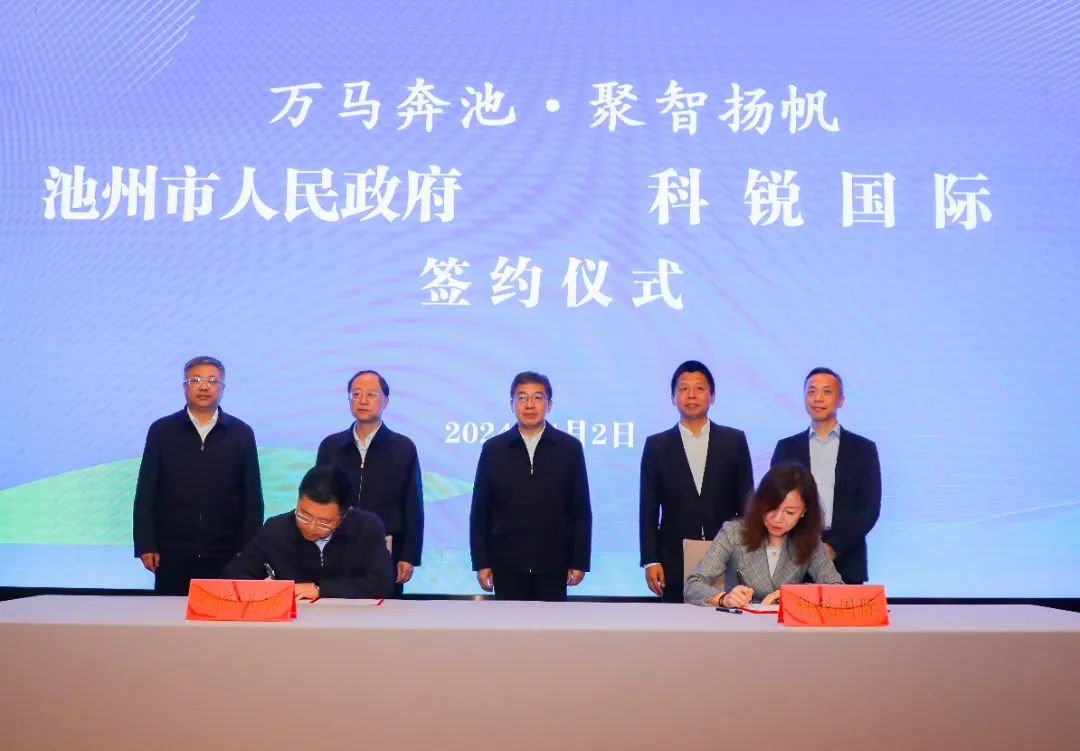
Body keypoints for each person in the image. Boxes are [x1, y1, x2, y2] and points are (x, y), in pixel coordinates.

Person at [132, 356, 264, 595]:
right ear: (185, 386)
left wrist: (249, 549)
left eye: (212, 380)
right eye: (196, 380)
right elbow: (147, 490)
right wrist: (145, 543)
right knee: (171, 614)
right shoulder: (162, 431)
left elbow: (252, 496)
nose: (204, 387)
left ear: (222, 388)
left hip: (226, 553)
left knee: (222, 614)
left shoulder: (241, 433)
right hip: (172, 552)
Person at [469, 371, 592, 601]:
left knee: (552, 624)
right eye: (522, 397)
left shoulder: (569, 448)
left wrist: (579, 560)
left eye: (537, 398)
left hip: (554, 563)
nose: (529, 405)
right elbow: (480, 511)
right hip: (506, 564)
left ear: (549, 405)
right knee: (508, 624)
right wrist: (481, 562)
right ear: (512, 404)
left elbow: (581, 509)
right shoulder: (494, 449)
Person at [639, 360, 754, 602]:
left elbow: (746, 501)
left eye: (699, 388)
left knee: (726, 618)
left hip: (726, 554)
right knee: (674, 624)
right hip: (673, 556)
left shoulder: (733, 441)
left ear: (712, 396)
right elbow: (648, 509)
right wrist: (651, 559)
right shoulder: (656, 445)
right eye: (683, 389)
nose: (691, 395)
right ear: (673, 398)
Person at [316, 369, 423, 596]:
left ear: (386, 401)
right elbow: (318, 499)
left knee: (385, 614)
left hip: (386, 550)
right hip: (335, 548)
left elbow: (412, 505)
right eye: (356, 394)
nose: (362, 400)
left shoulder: (402, 448)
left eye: (371, 394)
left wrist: (408, 555)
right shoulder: (331, 446)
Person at [770, 367, 881, 584]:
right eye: (811, 391)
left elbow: (869, 509)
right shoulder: (786, 448)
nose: (818, 398)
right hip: (795, 558)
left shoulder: (863, 449)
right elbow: (774, 502)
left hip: (847, 558)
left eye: (827, 391)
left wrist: (834, 546)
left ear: (841, 401)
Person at [223, 466, 394, 599]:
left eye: (324, 522)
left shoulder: (367, 527)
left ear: (345, 514)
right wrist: (261, 588)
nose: (311, 527)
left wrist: (321, 589)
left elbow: (382, 583)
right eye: (304, 515)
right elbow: (235, 573)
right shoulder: (276, 529)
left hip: (350, 621)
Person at [684, 462, 842, 606]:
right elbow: (693, 584)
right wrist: (724, 598)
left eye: (790, 512)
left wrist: (795, 595)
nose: (777, 519)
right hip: (741, 621)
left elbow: (837, 589)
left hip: (787, 625)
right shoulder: (734, 532)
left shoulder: (810, 539)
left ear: (803, 512)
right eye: (771, 507)